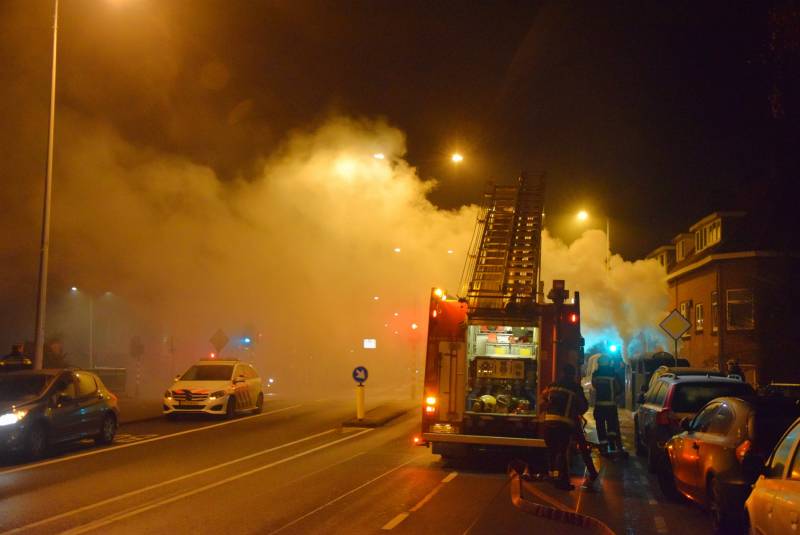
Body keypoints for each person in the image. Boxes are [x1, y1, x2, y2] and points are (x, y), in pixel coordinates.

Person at [541, 363, 589, 490]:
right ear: (573, 374)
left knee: (551, 451)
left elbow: (543, 397)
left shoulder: (551, 386)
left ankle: (552, 476)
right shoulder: (575, 388)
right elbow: (583, 406)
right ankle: (562, 482)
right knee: (561, 452)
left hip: (548, 423)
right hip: (563, 425)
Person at [592, 359, 627, 457]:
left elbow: (594, 385)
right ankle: (613, 445)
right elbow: (619, 388)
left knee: (600, 427)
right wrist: (615, 395)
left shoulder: (596, 374)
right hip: (611, 406)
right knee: (612, 427)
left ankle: (603, 448)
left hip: (599, 406)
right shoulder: (613, 374)